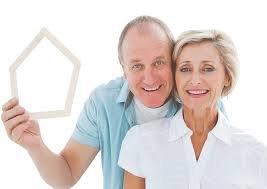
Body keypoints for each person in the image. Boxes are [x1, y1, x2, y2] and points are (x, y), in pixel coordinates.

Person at [1, 16, 181, 189]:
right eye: (137, 66)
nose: (149, 78)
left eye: (159, 63)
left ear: (173, 62)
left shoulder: (193, 103)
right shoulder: (103, 103)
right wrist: (36, 146)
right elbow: (67, 174)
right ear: (124, 68)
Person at [118, 30, 267, 189]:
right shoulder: (140, 140)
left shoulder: (255, 154)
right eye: (185, 69)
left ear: (227, 77)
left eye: (208, 69)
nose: (195, 80)